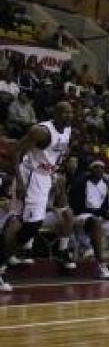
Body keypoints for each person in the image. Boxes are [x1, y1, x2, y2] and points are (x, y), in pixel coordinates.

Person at [0, 102, 72, 290]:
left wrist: (54, 175)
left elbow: (56, 155)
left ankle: (5, 258)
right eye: (64, 111)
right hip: (30, 177)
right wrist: (20, 182)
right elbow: (16, 152)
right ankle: (3, 262)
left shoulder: (67, 130)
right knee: (27, 225)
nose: (69, 115)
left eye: (71, 112)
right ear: (55, 113)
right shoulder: (40, 131)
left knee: (29, 225)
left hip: (45, 178)